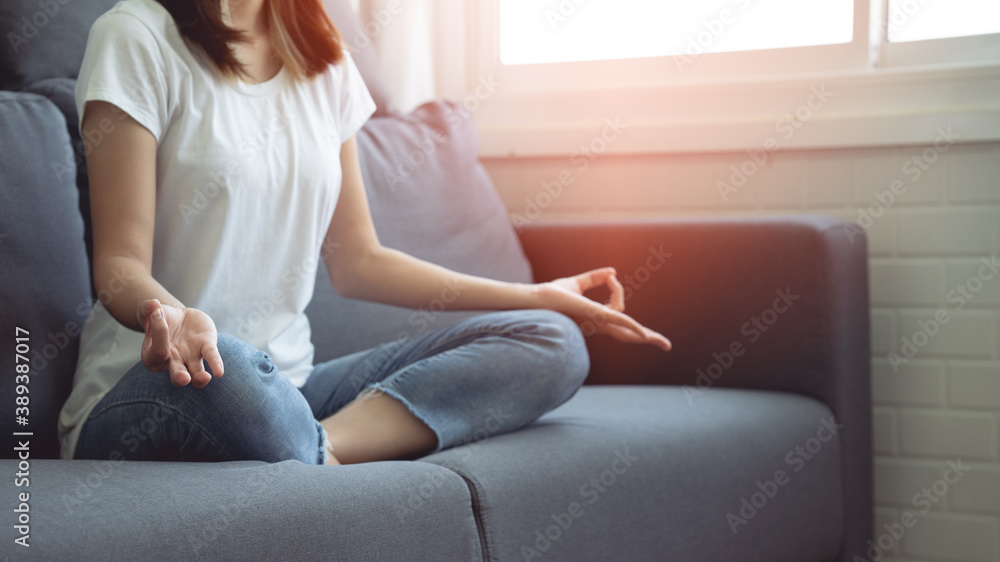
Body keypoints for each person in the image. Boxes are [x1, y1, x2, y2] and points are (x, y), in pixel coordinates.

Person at [58, 0, 671, 466]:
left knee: (552, 341)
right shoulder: (134, 37)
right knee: (237, 372)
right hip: (167, 388)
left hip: (291, 388)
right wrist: (174, 315)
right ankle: (299, 446)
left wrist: (538, 295)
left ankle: (318, 453)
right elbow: (118, 263)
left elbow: (361, 260)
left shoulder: (321, 58)